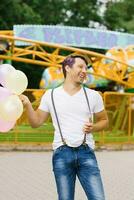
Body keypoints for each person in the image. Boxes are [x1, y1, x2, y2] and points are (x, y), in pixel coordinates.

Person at [20, 54, 109, 200]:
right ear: (67, 68)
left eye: (86, 68)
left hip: (86, 153)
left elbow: (104, 120)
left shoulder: (93, 96)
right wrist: (28, 105)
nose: (84, 71)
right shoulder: (51, 95)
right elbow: (36, 122)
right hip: (62, 153)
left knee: (98, 198)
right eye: (80, 67)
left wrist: (93, 127)